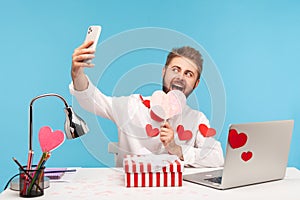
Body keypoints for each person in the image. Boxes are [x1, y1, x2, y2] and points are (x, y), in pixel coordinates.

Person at [69, 40, 224, 167]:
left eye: (188, 74)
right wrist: (77, 74)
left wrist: (176, 149)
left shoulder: (197, 119)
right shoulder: (132, 106)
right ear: (164, 72)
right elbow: (92, 101)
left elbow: (217, 158)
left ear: (196, 84)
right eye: (175, 69)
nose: (180, 77)